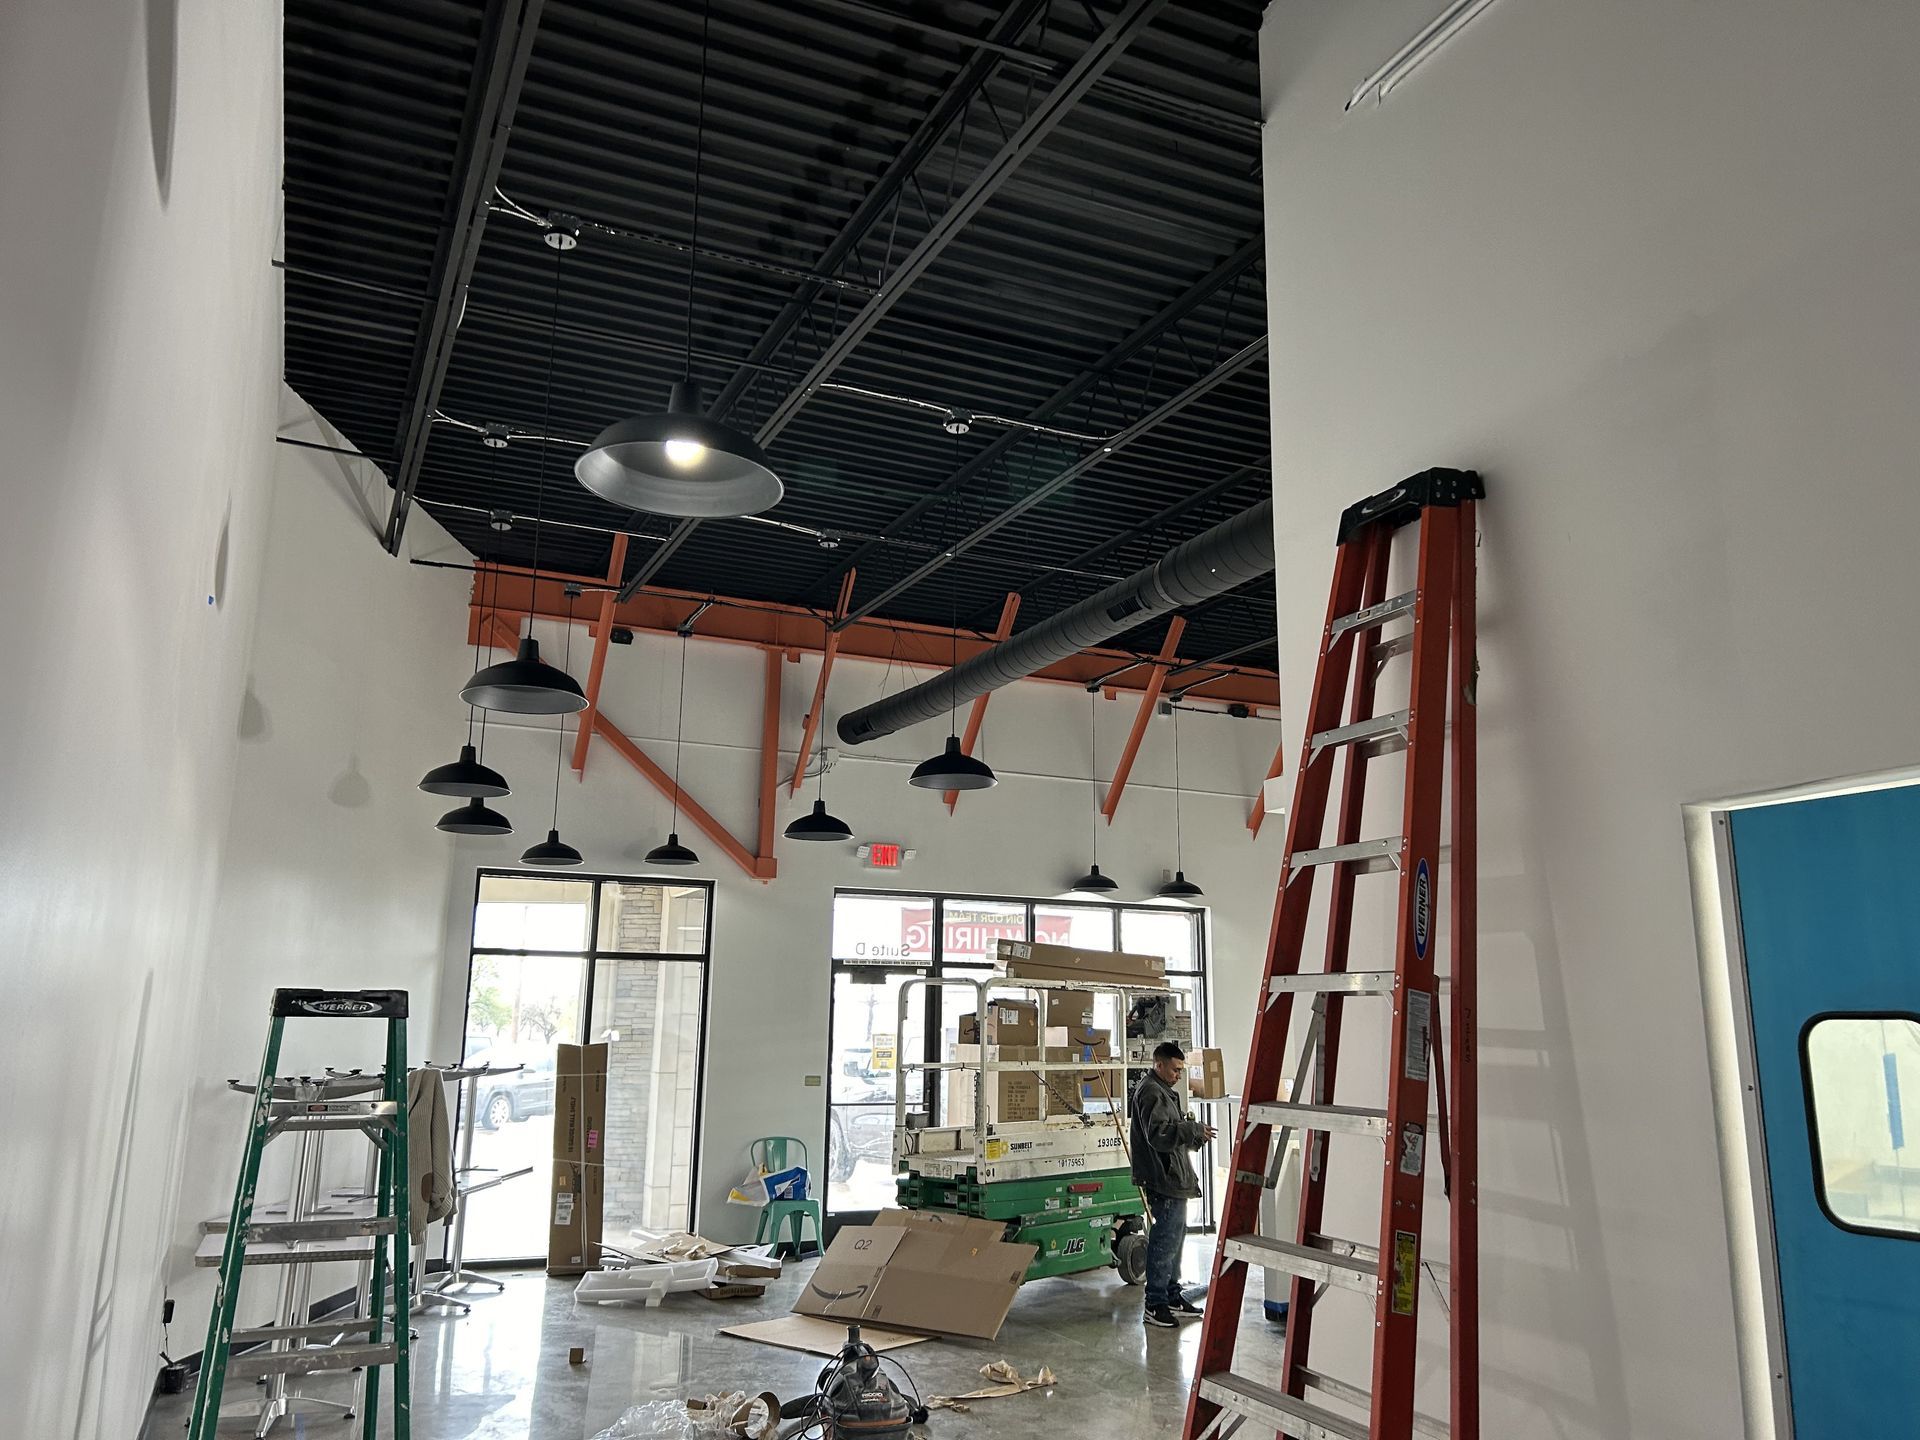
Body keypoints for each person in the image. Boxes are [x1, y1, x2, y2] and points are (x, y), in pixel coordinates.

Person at [1130, 1040, 1215, 1328]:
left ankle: (1171, 1295)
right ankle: (1155, 1304)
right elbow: (1158, 1136)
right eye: (1175, 1070)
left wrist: (1193, 1136)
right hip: (1162, 1180)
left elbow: (1171, 1135)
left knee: (1175, 1243)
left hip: (1174, 1178)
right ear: (1159, 1064)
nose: (1179, 1075)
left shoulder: (1164, 1091)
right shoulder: (1151, 1092)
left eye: (1181, 1071)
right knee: (1164, 1243)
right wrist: (1189, 1129)